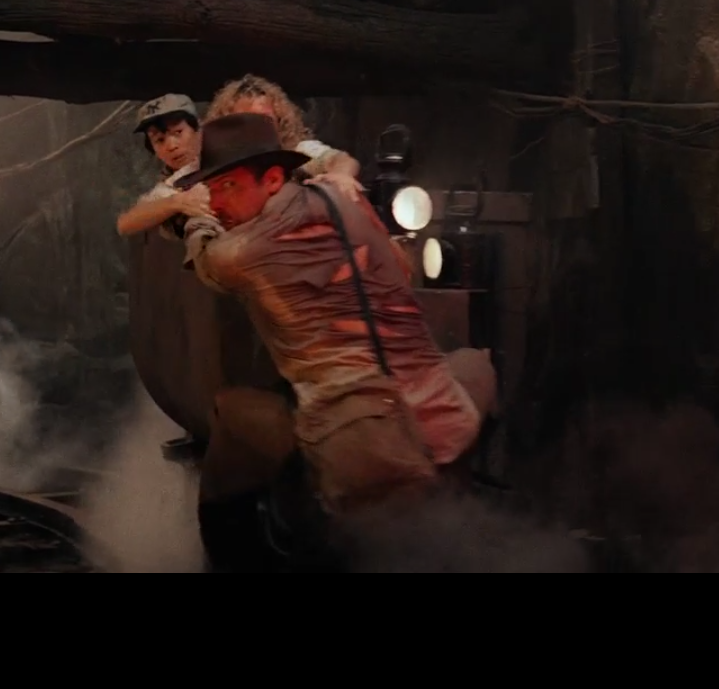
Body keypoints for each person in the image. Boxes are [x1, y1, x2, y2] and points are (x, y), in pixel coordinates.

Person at [177, 112, 495, 569]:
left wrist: (195, 219)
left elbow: (206, 259)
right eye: (212, 189)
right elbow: (401, 267)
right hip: (439, 418)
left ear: (272, 179)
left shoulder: (240, 252)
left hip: (356, 443)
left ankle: (229, 557)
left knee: (229, 414)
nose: (217, 200)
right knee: (473, 363)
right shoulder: (342, 196)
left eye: (228, 186)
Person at [204, 74, 366, 204]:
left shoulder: (298, 150)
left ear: (279, 121)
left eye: (264, 119)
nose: (256, 127)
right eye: (246, 120)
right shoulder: (214, 160)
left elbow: (340, 159)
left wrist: (341, 174)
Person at [115, 94, 220, 240]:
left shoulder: (224, 154)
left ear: (198, 128)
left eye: (178, 132)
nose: (171, 146)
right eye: (159, 140)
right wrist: (178, 202)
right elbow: (125, 224)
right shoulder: (172, 185)